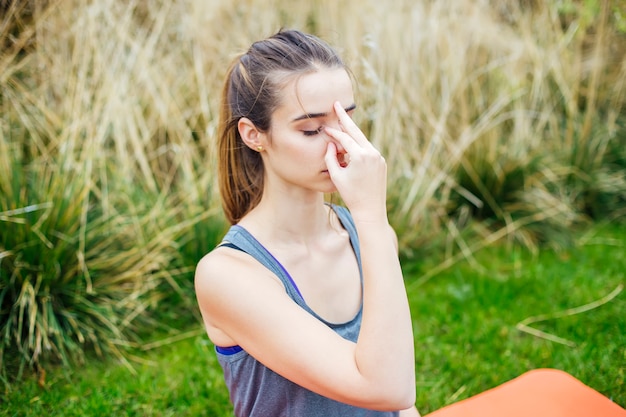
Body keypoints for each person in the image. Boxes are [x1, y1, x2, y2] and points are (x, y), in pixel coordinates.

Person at [194, 29, 419, 417]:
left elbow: (402, 404)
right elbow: (388, 389)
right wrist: (372, 218)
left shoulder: (369, 238)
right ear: (253, 136)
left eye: (346, 121)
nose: (341, 146)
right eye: (312, 130)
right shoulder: (227, 275)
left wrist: (373, 227)